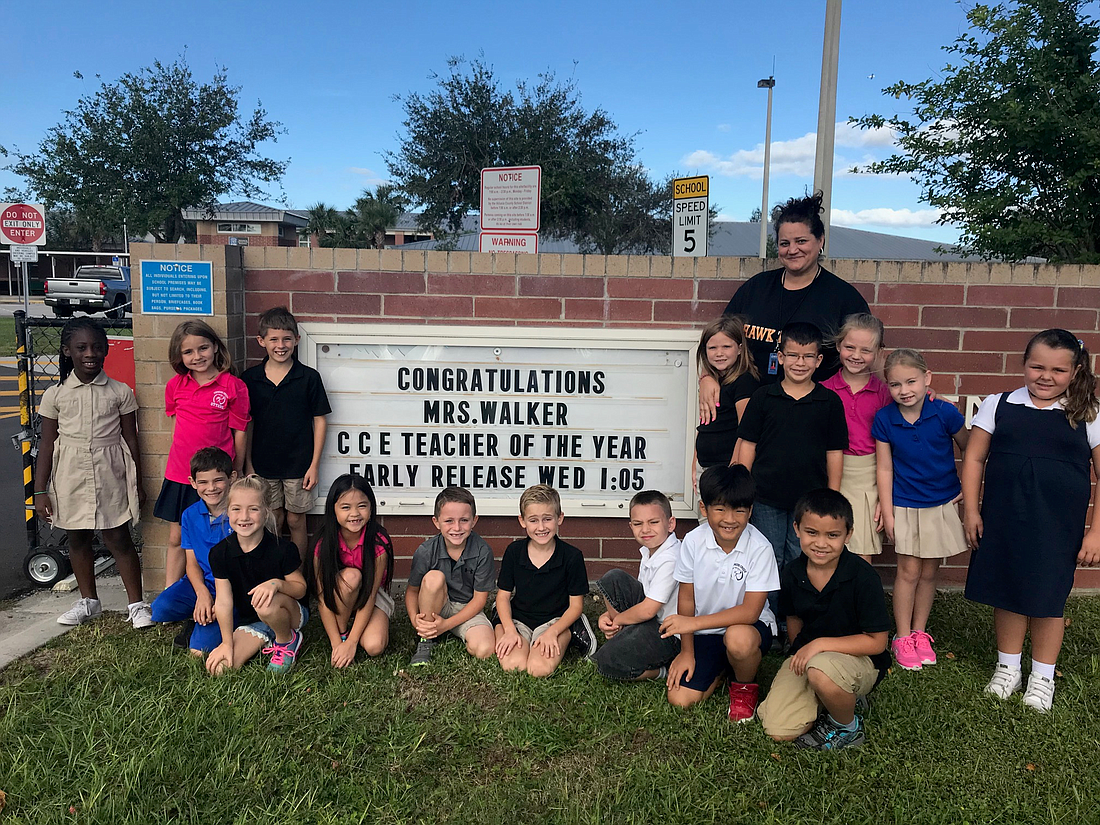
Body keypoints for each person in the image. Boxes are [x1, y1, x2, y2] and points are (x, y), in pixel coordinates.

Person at [963, 329, 1100, 712]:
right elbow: (974, 459)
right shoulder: (999, 404)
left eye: (1058, 370)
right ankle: (1008, 668)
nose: (1045, 376)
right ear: (1023, 364)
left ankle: (1042, 675)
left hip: (1057, 525)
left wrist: (1096, 532)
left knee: (1047, 599)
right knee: (1006, 590)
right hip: (1004, 518)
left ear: (1074, 372)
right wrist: (971, 510)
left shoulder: (1088, 412)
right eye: (1036, 366)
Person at [699, 192, 869, 423]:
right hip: (751, 413)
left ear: (820, 241)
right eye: (784, 243)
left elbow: (868, 357)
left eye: (801, 241)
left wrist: (912, 392)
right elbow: (720, 340)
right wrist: (707, 377)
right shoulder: (756, 288)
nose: (792, 250)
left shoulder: (844, 298)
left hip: (811, 416)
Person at [34, 318, 151, 628]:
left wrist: (136, 481)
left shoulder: (119, 392)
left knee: (118, 537)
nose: (90, 353)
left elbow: (131, 438)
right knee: (77, 538)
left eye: (97, 347)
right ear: (67, 351)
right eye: (82, 347)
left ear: (106, 350)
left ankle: (137, 605)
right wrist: (39, 490)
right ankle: (89, 602)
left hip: (109, 472)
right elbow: (46, 445)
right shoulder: (55, 395)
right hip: (70, 475)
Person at [756, 489, 890, 750]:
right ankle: (833, 696)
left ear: (848, 534)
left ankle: (847, 727)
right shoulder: (793, 573)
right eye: (812, 532)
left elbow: (877, 643)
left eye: (832, 535)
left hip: (859, 659)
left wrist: (818, 646)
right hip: (811, 657)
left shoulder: (863, 577)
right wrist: (801, 650)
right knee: (777, 728)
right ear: (797, 529)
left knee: (821, 669)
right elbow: (793, 619)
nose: (821, 543)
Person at [735, 322, 848, 611]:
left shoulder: (829, 402)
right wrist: (742, 491)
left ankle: (796, 619)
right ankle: (768, 619)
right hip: (766, 497)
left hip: (810, 500)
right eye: (793, 355)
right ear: (781, 357)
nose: (801, 363)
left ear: (819, 360)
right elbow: (748, 444)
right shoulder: (763, 398)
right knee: (769, 557)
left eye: (808, 356)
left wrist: (831, 496)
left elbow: (834, 452)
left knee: (803, 557)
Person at [873, 348, 968, 672]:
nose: (905, 390)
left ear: (927, 379)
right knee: (908, 572)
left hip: (940, 503)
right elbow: (884, 469)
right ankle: (901, 636)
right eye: (896, 384)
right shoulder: (885, 419)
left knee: (929, 572)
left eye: (911, 381)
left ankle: (919, 632)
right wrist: (888, 512)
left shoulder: (945, 413)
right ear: (888, 386)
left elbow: (972, 450)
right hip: (905, 504)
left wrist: (967, 490)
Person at [660, 465, 779, 721]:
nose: (730, 519)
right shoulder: (692, 541)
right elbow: (687, 598)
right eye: (720, 508)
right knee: (680, 699)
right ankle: (723, 666)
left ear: (750, 511)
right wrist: (687, 651)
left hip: (748, 628)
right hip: (706, 631)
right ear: (704, 509)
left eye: (739, 510)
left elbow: (749, 612)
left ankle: (743, 686)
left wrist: (692, 623)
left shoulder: (760, 548)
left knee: (738, 640)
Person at [155, 319, 249, 590]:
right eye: (188, 352)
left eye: (203, 348)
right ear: (179, 356)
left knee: (223, 533)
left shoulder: (232, 386)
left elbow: (240, 430)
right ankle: (170, 593)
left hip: (219, 476)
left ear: (215, 348)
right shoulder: (175, 386)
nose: (197, 356)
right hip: (182, 475)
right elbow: (178, 429)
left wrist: (238, 469)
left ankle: (228, 590)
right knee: (177, 537)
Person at [242, 307, 331, 562]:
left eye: (287, 339)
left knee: (295, 519)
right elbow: (248, 424)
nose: (281, 346)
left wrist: (314, 465)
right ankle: (271, 570)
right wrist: (248, 463)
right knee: (272, 518)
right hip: (263, 464)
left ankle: (298, 577)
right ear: (261, 341)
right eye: (274, 339)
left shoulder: (308, 378)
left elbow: (320, 421)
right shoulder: (250, 379)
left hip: (299, 465)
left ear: (297, 340)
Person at [206, 476, 308, 675]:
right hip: (252, 619)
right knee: (220, 669)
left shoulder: (282, 549)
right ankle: (266, 636)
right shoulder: (219, 553)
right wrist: (227, 643)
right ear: (227, 510)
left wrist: (276, 584)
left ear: (266, 511)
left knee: (266, 604)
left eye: (253, 508)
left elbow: (300, 588)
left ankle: (287, 640)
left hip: (290, 613)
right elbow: (224, 601)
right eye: (236, 509)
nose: (244, 517)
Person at [494, 485, 594, 678]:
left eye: (547, 519)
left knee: (538, 669)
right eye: (533, 520)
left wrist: (553, 632)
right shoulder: (514, 552)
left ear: (560, 518)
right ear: (522, 521)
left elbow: (575, 606)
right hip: (518, 618)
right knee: (513, 665)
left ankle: (571, 632)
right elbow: (503, 596)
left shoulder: (572, 556)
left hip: (554, 620)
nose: (541, 527)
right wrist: (509, 630)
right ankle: (511, 631)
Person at [820, 314, 892, 562]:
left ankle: (859, 600)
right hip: (830, 472)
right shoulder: (824, 390)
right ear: (839, 345)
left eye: (866, 350)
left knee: (861, 550)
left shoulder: (885, 393)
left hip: (869, 477)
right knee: (827, 545)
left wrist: (885, 497)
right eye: (849, 347)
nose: (856, 355)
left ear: (879, 352)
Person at [591, 490, 682, 683]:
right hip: (651, 621)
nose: (645, 529)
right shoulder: (650, 552)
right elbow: (643, 595)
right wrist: (608, 616)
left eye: (654, 522)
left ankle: (662, 670)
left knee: (606, 660)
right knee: (613, 578)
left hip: (670, 633)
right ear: (631, 526)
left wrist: (619, 620)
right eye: (638, 524)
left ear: (671, 523)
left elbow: (648, 609)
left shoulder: (672, 557)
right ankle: (625, 635)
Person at [150, 447, 235, 653]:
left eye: (218, 480)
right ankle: (200, 613)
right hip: (205, 582)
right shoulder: (190, 515)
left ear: (232, 478)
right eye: (203, 482)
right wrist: (202, 593)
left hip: (233, 589)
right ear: (193, 482)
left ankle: (215, 621)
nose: (211, 488)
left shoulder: (239, 514)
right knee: (161, 608)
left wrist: (218, 600)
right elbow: (192, 563)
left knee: (199, 648)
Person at [406, 487, 496, 666]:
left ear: (474, 520)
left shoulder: (482, 551)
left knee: (485, 649)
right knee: (433, 578)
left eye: (464, 520)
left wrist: (446, 625)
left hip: (467, 609)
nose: (457, 528)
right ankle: (426, 639)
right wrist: (417, 622)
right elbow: (412, 591)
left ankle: (445, 630)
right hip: (436, 605)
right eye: (449, 521)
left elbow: (479, 600)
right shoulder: (426, 551)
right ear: (436, 522)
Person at [312, 474, 395, 667]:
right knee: (351, 576)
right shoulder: (322, 543)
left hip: (369, 597)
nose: (355, 513)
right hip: (338, 594)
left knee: (375, 646)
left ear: (371, 507)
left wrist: (353, 642)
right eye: (346, 507)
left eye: (362, 505)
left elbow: (371, 596)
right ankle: (341, 633)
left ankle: (350, 635)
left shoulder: (378, 544)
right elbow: (323, 598)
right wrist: (338, 644)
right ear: (333, 509)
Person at [693, 316, 760, 498]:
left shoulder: (744, 382)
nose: (719, 353)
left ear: (739, 349)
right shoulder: (713, 382)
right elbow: (705, 423)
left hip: (726, 469)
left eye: (726, 347)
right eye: (712, 348)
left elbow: (745, 431)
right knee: (707, 523)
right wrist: (695, 463)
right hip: (705, 467)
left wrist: (735, 469)